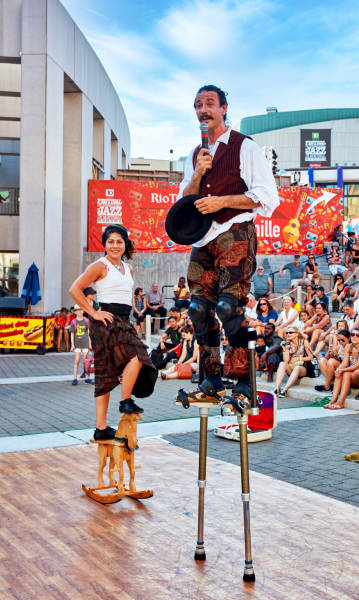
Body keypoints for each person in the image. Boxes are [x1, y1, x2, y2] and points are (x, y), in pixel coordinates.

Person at [177, 84, 279, 404]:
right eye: (198, 105)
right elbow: (186, 198)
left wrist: (221, 201)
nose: (203, 110)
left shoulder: (245, 146)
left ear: (223, 109)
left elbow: (267, 197)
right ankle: (210, 379)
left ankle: (244, 380)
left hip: (235, 231)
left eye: (209, 103)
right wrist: (198, 172)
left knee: (228, 308)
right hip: (204, 238)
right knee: (197, 310)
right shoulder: (197, 153)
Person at [69, 224, 157, 440]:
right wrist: (93, 313)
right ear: (105, 244)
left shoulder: (128, 268)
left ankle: (102, 428)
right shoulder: (100, 265)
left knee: (122, 365)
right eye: (111, 241)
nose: (115, 245)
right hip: (106, 321)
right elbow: (74, 289)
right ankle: (122, 404)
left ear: (125, 243)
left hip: (123, 320)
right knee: (129, 360)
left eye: (119, 241)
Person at [323, 327, 359, 410]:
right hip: (352, 374)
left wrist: (343, 370)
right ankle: (333, 401)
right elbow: (344, 363)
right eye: (352, 334)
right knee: (340, 372)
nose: (355, 336)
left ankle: (340, 402)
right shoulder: (348, 346)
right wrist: (339, 369)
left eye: (357, 335)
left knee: (345, 373)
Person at [274, 326, 314, 396]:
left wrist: (299, 358)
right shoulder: (287, 343)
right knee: (282, 364)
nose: (288, 334)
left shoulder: (304, 342)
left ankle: (285, 389)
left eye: (290, 332)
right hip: (291, 367)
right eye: (287, 333)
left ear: (297, 334)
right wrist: (284, 349)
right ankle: (277, 388)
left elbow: (311, 357)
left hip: (302, 368)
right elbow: (286, 361)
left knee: (297, 368)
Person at [70, 305, 93, 386]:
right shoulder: (73, 322)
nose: (80, 311)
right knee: (76, 361)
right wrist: (72, 345)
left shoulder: (87, 321)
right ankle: (75, 378)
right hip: (77, 344)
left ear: (83, 311)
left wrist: (90, 344)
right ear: (75, 312)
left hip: (85, 344)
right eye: (78, 310)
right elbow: (72, 334)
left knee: (86, 362)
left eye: (81, 310)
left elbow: (89, 333)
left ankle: (87, 378)